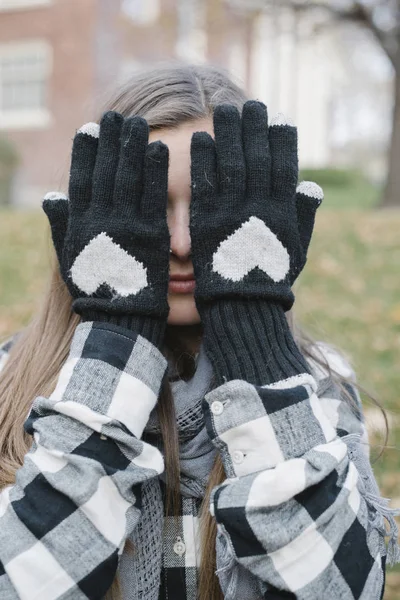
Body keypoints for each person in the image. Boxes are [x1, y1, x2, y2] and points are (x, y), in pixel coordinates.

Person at [0, 63, 398, 600]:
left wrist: (255, 336)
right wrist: (117, 339)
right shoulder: (11, 383)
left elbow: (339, 590)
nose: (184, 243)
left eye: (212, 210)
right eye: (151, 209)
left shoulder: (318, 387)